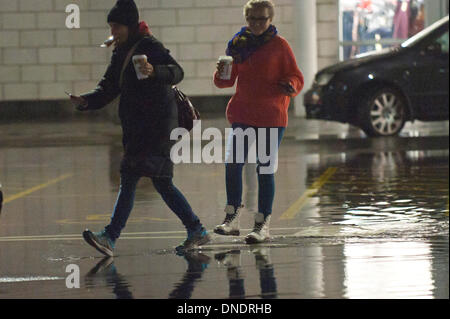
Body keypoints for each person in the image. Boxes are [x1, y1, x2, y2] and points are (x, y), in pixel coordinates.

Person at [69, 0, 210, 257]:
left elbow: (177, 72)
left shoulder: (149, 46)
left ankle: (110, 237)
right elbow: (109, 86)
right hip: (139, 126)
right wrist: (87, 101)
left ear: (130, 25)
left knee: (131, 176)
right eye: (112, 26)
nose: (114, 31)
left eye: (117, 26)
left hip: (157, 126)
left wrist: (154, 70)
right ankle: (196, 230)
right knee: (162, 182)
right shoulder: (120, 51)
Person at [213, 0, 304, 244]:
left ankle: (262, 224)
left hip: (271, 117)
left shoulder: (280, 46)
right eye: (252, 18)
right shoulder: (237, 44)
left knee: (264, 168)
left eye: (261, 19)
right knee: (233, 163)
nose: (256, 23)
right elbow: (224, 83)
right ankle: (231, 218)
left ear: (270, 19)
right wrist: (221, 71)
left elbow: (296, 76)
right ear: (246, 18)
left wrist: (291, 85)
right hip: (243, 113)